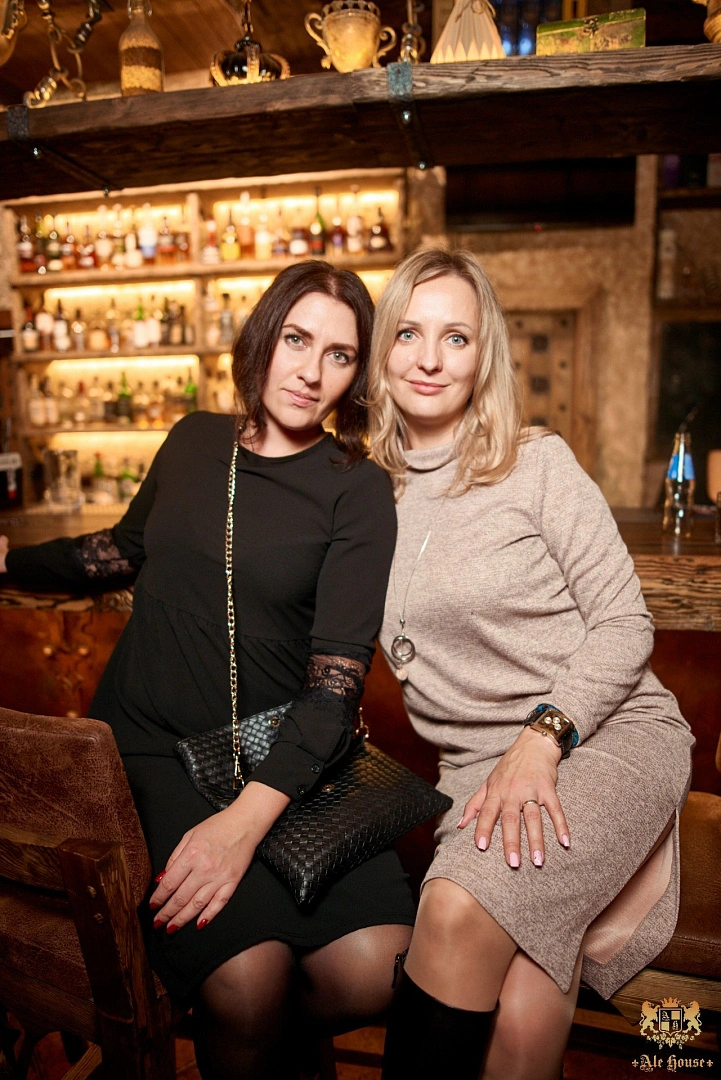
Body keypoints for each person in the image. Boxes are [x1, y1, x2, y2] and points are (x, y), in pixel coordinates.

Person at [0, 261, 414, 1080]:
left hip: (286, 755)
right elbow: (120, 549)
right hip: (156, 746)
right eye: (295, 339)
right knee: (247, 983)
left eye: (338, 355)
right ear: (263, 337)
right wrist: (11, 560)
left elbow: (334, 690)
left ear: (357, 375)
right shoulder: (194, 438)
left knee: (376, 969)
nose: (310, 371)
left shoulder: (358, 490)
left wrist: (242, 825)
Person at [366, 248, 694, 1080]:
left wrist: (543, 737)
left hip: (603, 732)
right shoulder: (360, 494)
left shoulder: (534, 463)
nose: (429, 358)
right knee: (517, 1017)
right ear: (381, 349)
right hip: (473, 766)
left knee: (451, 912)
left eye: (456, 337)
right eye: (408, 333)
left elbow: (625, 622)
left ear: (484, 357)